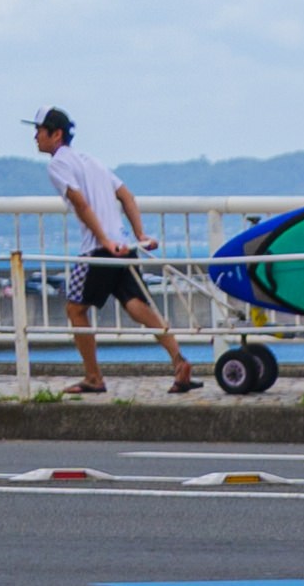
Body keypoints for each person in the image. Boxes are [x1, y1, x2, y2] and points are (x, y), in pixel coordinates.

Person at [33, 107, 198, 398]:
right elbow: (126, 196)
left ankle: (93, 378)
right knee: (135, 304)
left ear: (56, 134)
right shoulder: (91, 161)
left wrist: (103, 241)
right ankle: (178, 360)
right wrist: (139, 235)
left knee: (75, 309)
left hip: (99, 249)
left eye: (39, 131)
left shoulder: (58, 164)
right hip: (124, 245)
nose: (35, 137)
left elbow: (81, 204)